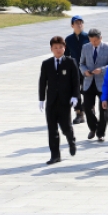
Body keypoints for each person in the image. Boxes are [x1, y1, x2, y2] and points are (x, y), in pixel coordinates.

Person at [39, 36, 80, 165]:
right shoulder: (46, 64)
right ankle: (55, 155)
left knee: (66, 127)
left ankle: (71, 140)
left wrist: (75, 96)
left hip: (64, 101)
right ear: (51, 49)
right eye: (55, 47)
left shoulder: (70, 62)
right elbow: (42, 82)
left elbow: (76, 81)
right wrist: (41, 99)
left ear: (64, 48)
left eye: (60, 47)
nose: (58, 50)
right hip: (51, 102)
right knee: (52, 129)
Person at [79, 28, 108, 141]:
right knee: (87, 107)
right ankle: (93, 127)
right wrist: (84, 71)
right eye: (91, 40)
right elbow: (81, 63)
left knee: (103, 109)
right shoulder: (85, 47)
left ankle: (101, 133)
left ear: (100, 38)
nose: (94, 43)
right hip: (89, 82)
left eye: (95, 40)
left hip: (103, 83)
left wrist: (102, 70)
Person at [64, 15, 88, 124]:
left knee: (87, 92)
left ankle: (88, 109)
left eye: (80, 23)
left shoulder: (88, 37)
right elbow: (66, 55)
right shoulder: (68, 39)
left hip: (87, 70)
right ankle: (79, 114)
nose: (79, 25)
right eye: (76, 23)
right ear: (72, 25)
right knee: (75, 93)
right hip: (74, 71)